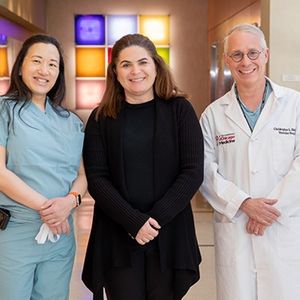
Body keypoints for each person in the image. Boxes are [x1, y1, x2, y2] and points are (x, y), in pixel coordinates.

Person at [82, 33, 204, 300]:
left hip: (169, 232)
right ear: (115, 71)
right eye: (125, 64)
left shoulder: (180, 110)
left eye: (143, 62)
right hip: (118, 235)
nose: (135, 71)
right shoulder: (101, 118)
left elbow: (192, 171)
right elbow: (97, 179)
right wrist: (134, 222)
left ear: (156, 66)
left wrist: (153, 221)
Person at [200, 23, 300, 300]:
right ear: (227, 60)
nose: (246, 62)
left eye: (253, 53)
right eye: (237, 55)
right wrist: (244, 203)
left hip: (283, 228)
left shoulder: (294, 105)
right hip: (237, 229)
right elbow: (205, 172)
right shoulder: (212, 115)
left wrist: (268, 211)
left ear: (266, 55)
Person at [0, 34, 87, 300]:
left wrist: (69, 203)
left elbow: (84, 175)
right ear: (21, 65)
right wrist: (49, 209)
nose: (44, 70)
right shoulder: (5, 110)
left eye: (52, 64)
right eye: (37, 61)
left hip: (61, 235)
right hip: (15, 233)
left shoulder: (70, 121)